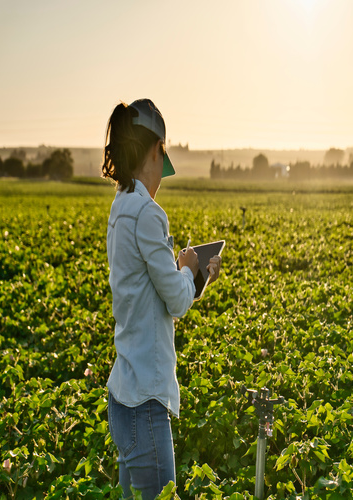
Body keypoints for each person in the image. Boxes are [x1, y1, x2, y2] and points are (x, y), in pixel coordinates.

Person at [101, 98, 221, 499]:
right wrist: (189, 266)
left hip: (123, 394)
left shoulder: (120, 208)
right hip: (144, 402)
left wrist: (187, 275)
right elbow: (176, 302)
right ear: (156, 150)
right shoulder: (149, 213)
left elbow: (149, 287)